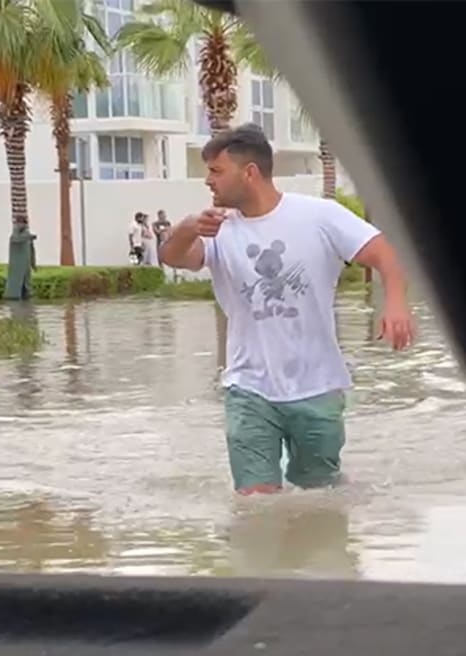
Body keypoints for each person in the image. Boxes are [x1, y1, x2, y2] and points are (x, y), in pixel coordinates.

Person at [158, 123, 415, 496]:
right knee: (256, 503)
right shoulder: (217, 229)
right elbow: (174, 257)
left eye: (216, 171)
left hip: (317, 386)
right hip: (248, 389)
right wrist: (186, 228)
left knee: (319, 496)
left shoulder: (320, 216)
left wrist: (395, 303)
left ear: (250, 173)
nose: (208, 182)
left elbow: (385, 255)